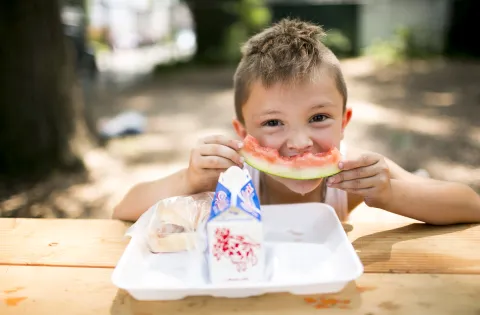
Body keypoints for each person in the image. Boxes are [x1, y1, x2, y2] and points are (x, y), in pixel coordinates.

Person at [112, 18, 480, 224]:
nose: (300, 142)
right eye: (273, 123)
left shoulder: (352, 178)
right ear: (243, 134)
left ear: (344, 121)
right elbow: (124, 209)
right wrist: (188, 179)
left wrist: (390, 193)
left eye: (318, 118)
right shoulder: (233, 180)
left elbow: (468, 205)